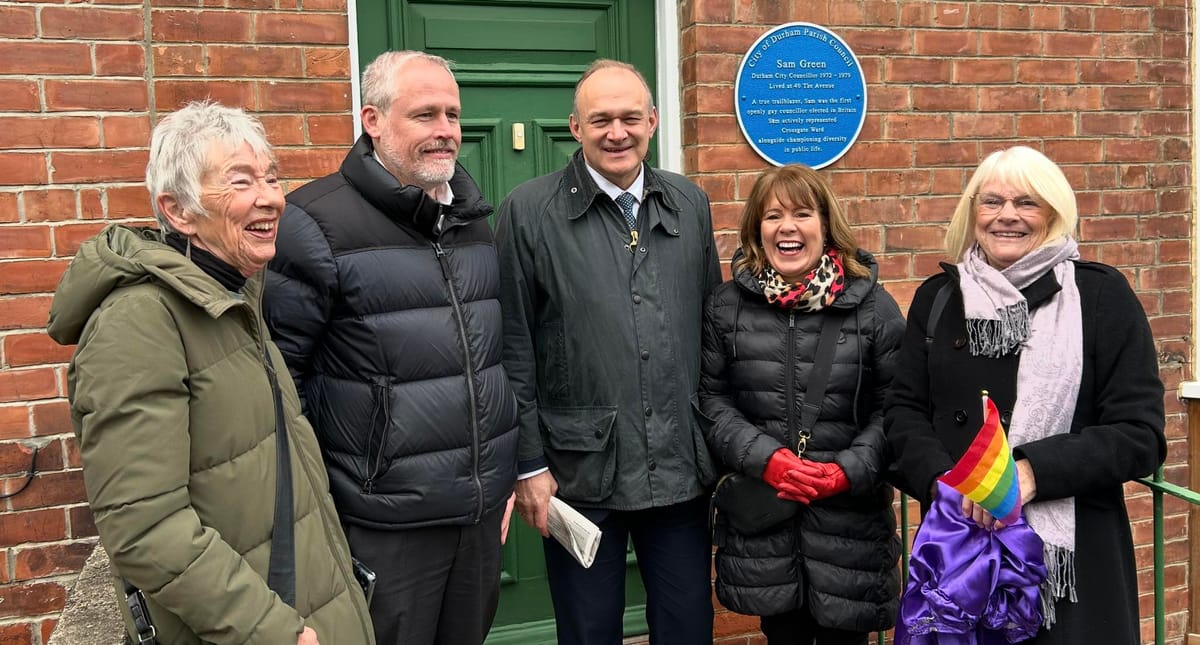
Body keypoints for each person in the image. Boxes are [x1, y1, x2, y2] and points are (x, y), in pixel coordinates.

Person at [45, 101, 374, 645]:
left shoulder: (235, 295)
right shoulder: (140, 322)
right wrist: (273, 631)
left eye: (271, 177)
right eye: (241, 182)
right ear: (178, 211)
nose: (271, 196)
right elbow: (145, 528)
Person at [263, 51, 518, 645]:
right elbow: (281, 385)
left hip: (477, 517)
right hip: (384, 524)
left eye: (453, 115)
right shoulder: (313, 223)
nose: (445, 131)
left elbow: (492, 360)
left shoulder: (473, 220)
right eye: (425, 114)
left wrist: (499, 479)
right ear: (372, 120)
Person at [885, 145, 1166, 644]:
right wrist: (947, 484)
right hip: (959, 549)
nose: (1007, 216)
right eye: (991, 202)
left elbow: (1139, 433)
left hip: (1071, 563)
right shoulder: (938, 298)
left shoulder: (1100, 297)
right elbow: (904, 411)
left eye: (1027, 203)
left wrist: (1032, 473)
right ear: (973, 213)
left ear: (1055, 213)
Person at [495, 59, 721, 644]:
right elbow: (513, 345)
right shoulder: (528, 212)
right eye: (600, 120)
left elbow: (714, 328)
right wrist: (529, 465)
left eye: (629, 118)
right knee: (589, 632)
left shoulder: (689, 203)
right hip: (577, 474)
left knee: (688, 628)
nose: (616, 132)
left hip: (679, 466)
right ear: (574, 127)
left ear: (652, 121)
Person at [698, 165, 903, 645]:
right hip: (766, 528)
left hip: (850, 526)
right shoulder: (726, 308)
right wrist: (764, 458)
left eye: (802, 213)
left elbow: (896, 410)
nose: (787, 226)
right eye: (773, 216)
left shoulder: (873, 308)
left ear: (826, 225)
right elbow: (711, 400)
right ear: (756, 230)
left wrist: (846, 471)